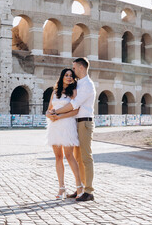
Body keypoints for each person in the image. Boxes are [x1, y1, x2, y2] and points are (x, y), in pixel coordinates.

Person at [50, 57, 96, 202]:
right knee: (78, 158)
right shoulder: (78, 84)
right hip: (75, 123)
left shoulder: (87, 85)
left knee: (86, 156)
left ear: (81, 68)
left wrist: (57, 113)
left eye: (74, 68)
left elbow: (74, 105)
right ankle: (79, 189)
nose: (73, 71)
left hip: (84, 122)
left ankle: (88, 191)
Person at [45, 68, 83, 200]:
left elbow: (75, 110)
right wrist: (50, 115)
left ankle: (79, 186)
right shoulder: (54, 92)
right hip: (54, 126)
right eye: (66, 75)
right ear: (62, 77)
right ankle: (61, 187)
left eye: (71, 76)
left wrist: (59, 116)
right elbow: (49, 109)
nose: (68, 77)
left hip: (67, 125)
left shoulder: (73, 91)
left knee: (69, 155)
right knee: (58, 157)